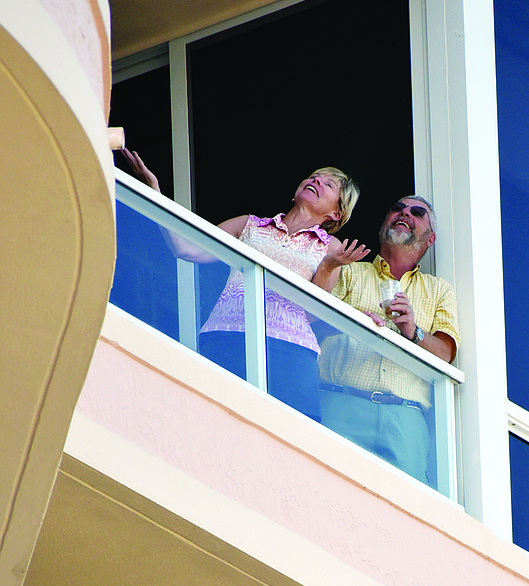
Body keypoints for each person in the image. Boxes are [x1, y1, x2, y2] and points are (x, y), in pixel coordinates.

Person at [118, 151, 369, 420]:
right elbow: (186, 248)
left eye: (328, 184)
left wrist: (328, 267)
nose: (316, 181)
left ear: (336, 212)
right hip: (227, 335)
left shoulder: (330, 247)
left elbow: (311, 314)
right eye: (313, 177)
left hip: (289, 352)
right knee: (213, 422)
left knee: (293, 439)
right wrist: (154, 194)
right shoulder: (249, 224)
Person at [311, 195, 460, 483]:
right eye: (397, 209)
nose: (404, 213)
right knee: (321, 489)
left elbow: (444, 353)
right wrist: (351, 323)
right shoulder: (348, 271)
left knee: (408, 516)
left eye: (417, 212)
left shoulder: (439, 290)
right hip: (340, 402)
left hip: (404, 418)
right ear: (384, 224)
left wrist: (413, 332)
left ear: (430, 239)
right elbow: (309, 325)